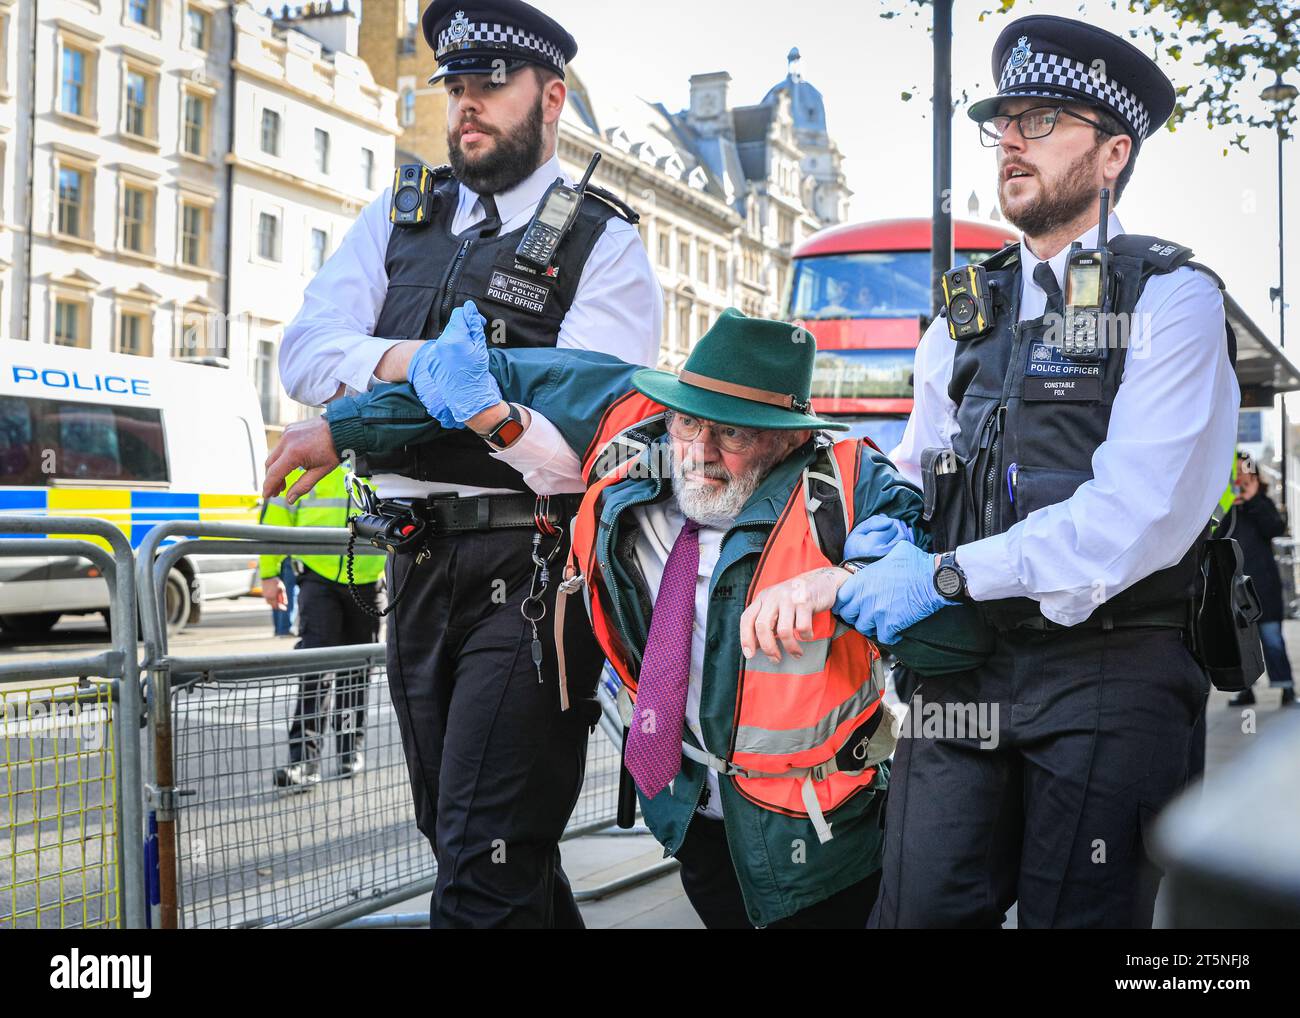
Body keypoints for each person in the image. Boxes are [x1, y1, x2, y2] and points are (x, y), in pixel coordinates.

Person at [268, 304, 993, 927]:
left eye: (733, 436)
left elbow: (949, 637)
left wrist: (852, 584)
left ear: (790, 439)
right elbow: (490, 377)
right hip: (691, 819)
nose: (700, 455)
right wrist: (345, 427)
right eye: (689, 423)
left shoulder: (853, 489)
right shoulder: (631, 428)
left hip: (823, 839)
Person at [265, 0, 661, 927]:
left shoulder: (603, 244)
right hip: (414, 565)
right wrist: (416, 366)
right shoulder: (403, 217)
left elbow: (581, 445)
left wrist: (426, 412)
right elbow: (305, 354)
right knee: (469, 841)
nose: (467, 105)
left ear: (551, 97)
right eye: (457, 86)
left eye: (492, 85)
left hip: (531, 571)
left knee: (484, 857)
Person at [843, 15, 1240, 928]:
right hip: (965, 666)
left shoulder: (1172, 299)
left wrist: (944, 573)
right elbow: (920, 460)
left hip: (1114, 665)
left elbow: (1133, 514)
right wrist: (890, 522)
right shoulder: (960, 316)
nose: (1011, 139)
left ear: (1112, 155)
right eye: (1004, 120)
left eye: (1044, 119)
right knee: (914, 909)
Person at [260, 465, 384, 787]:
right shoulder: (308, 453)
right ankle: (303, 762)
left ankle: (349, 750)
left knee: (357, 672)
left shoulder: (379, 447)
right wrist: (269, 572)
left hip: (369, 578)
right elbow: (277, 515)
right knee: (315, 669)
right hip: (318, 575)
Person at [1222, 453, 1296, 707]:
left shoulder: (1262, 502)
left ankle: (1285, 687)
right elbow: (1215, 534)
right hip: (1235, 587)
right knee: (1240, 644)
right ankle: (1245, 690)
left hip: (1263, 585)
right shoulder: (1225, 506)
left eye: (1245, 471)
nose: (1241, 476)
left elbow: (1275, 528)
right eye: (1236, 472)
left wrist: (1252, 499)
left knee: (1272, 639)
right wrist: (1229, 500)